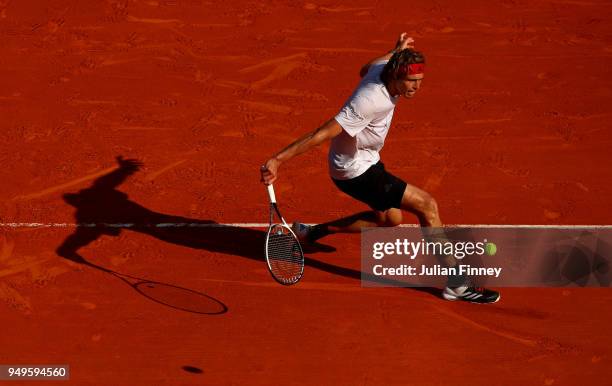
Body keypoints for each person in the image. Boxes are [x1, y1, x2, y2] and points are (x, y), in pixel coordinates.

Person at [260, 33, 500, 304]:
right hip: (355, 170)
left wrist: (394, 50)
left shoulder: (383, 70)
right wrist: (278, 159)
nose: (416, 87)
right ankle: (456, 283)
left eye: (420, 81)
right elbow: (322, 133)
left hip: (366, 159)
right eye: (411, 81)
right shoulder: (369, 101)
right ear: (396, 76)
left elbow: (365, 69)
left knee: (390, 219)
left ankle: (311, 232)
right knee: (427, 205)